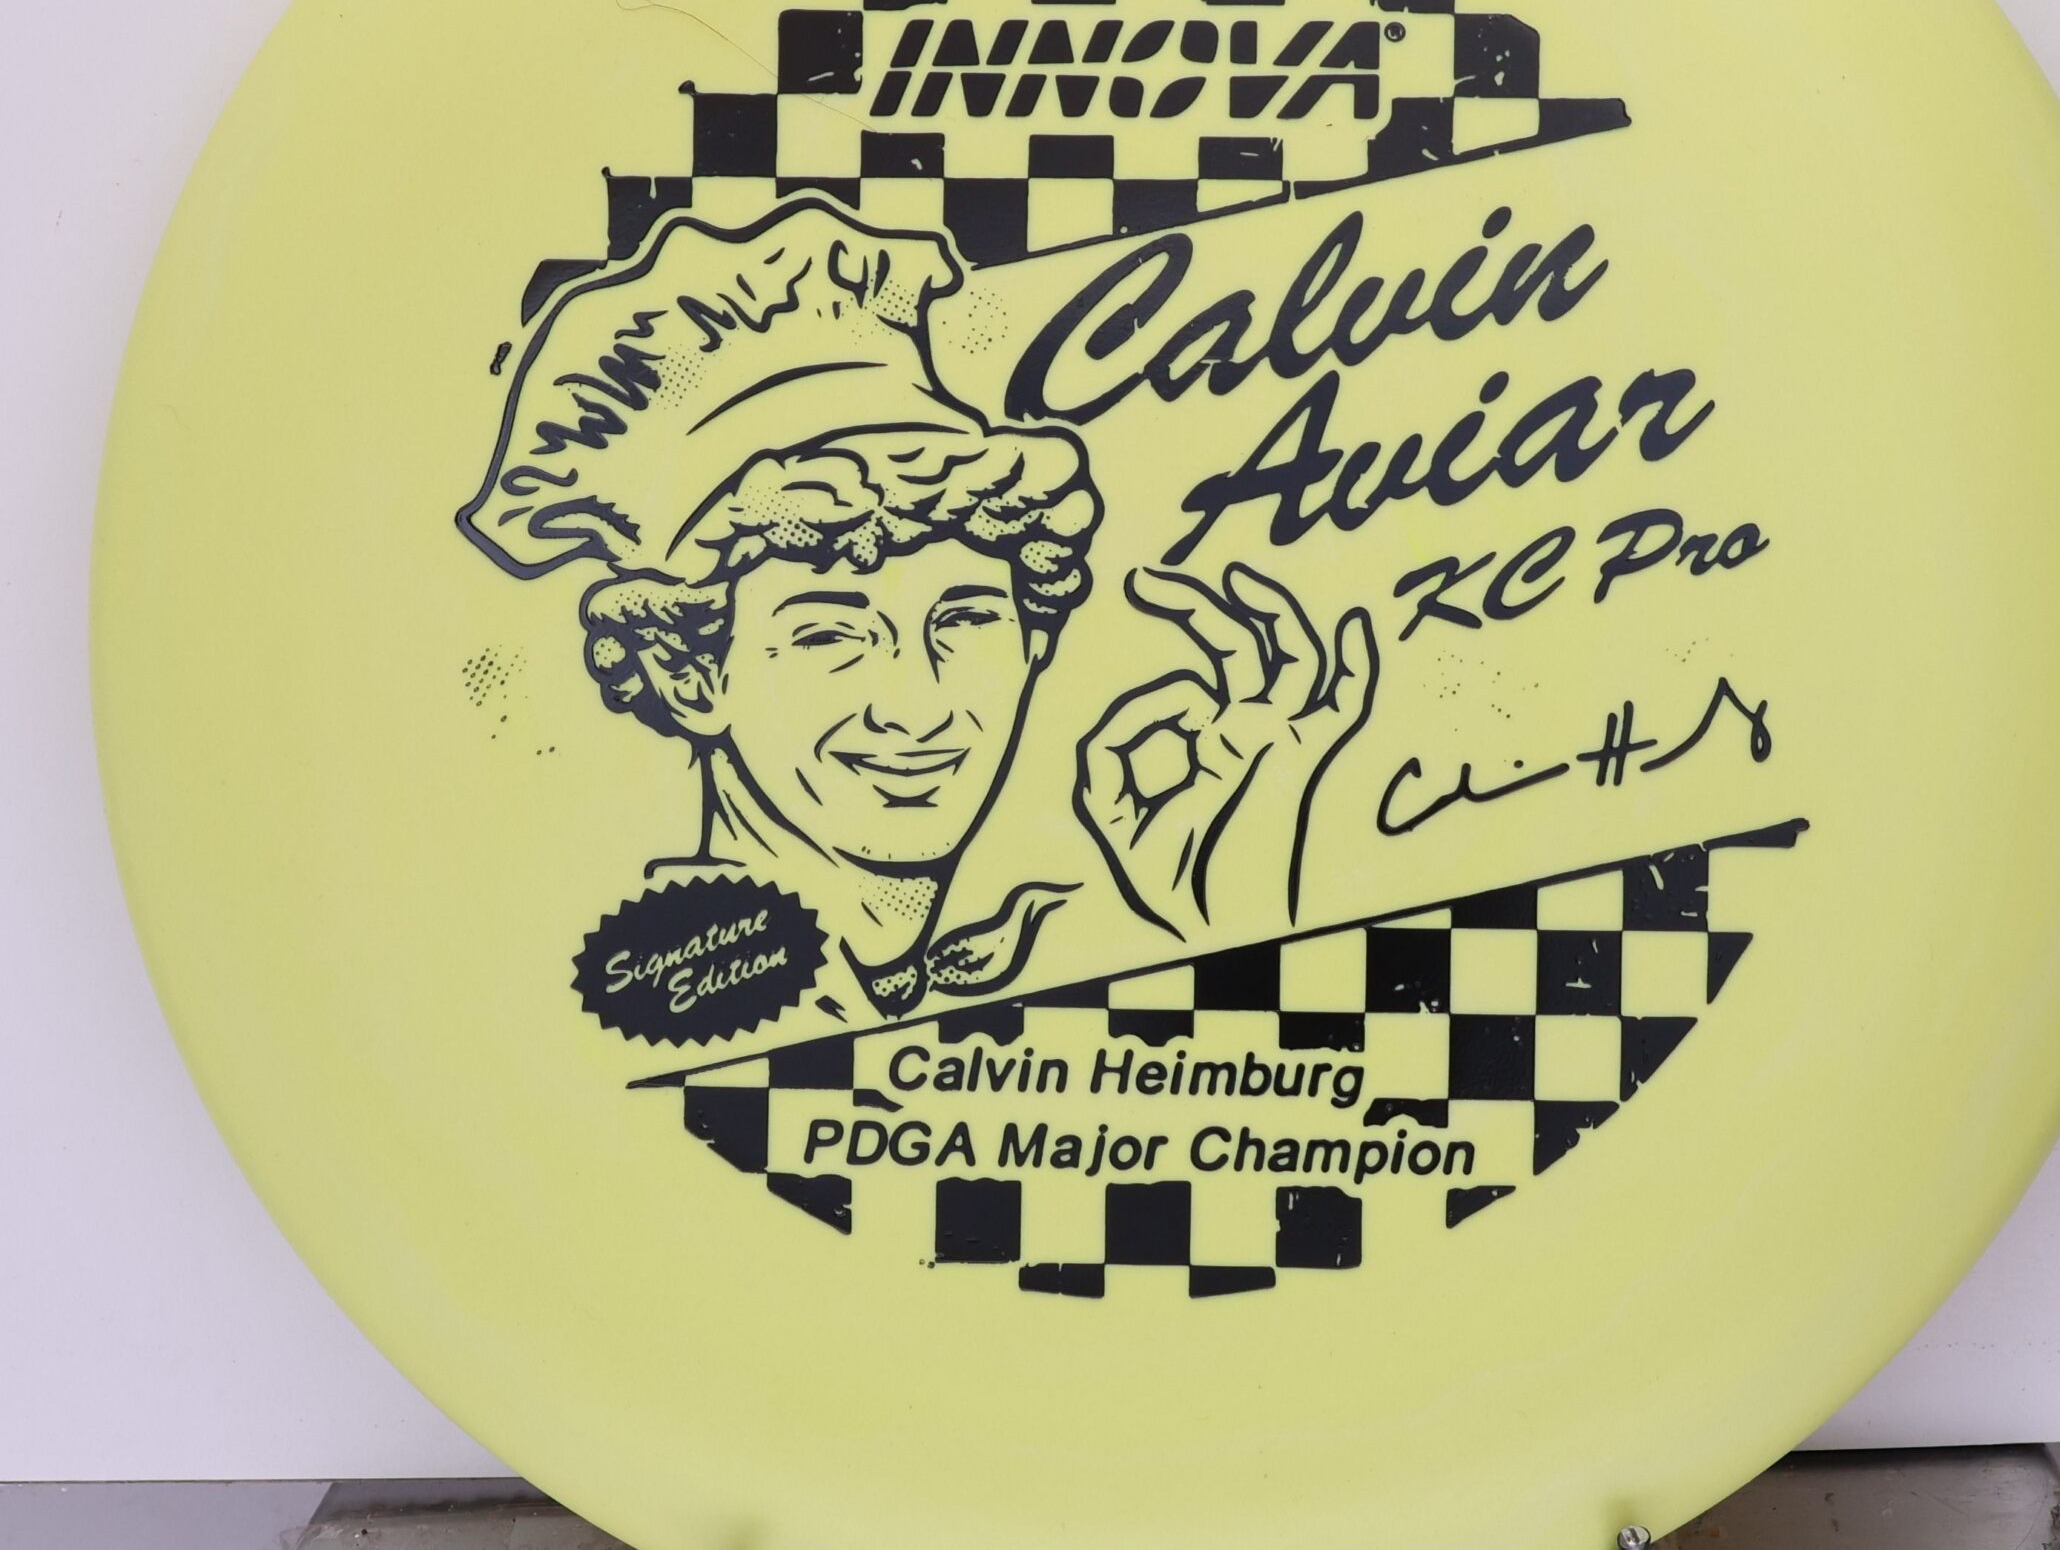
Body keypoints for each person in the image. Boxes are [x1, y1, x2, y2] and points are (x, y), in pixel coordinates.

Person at [459, 198, 1374, 1021]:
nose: (915, 706)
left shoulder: (1017, 955)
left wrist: (1229, 931)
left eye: (965, 619)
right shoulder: (678, 1005)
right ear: (691, 676)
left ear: (1035, 638)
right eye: (829, 634)